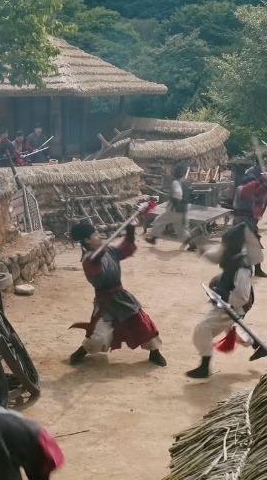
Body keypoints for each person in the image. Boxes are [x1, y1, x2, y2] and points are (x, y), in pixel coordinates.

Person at [68, 220, 167, 367]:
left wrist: (130, 232)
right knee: (99, 336)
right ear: (87, 240)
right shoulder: (88, 259)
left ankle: (154, 352)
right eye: (95, 235)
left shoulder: (108, 251)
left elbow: (124, 249)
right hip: (105, 301)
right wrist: (100, 251)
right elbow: (95, 264)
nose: (99, 236)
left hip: (121, 297)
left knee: (143, 324)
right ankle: (83, 350)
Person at [187, 224, 256, 379]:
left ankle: (204, 367)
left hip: (233, 306)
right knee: (232, 330)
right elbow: (216, 255)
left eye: (225, 243)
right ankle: (258, 345)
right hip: (226, 302)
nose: (222, 246)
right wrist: (201, 247)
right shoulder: (231, 254)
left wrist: (223, 295)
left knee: (203, 329)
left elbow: (242, 296)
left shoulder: (242, 266)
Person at [232, 171, 267, 278]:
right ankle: (235, 270)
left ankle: (257, 269)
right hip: (242, 221)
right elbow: (249, 189)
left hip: (248, 221)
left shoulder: (249, 190)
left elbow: (260, 192)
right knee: (241, 246)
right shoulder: (241, 189)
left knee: (253, 246)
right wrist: (260, 181)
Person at [146, 162, 192, 246]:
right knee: (180, 228)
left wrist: (174, 204)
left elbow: (178, 194)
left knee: (159, 221)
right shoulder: (186, 182)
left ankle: (153, 239)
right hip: (183, 209)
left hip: (174, 208)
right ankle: (192, 244)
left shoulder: (176, 182)